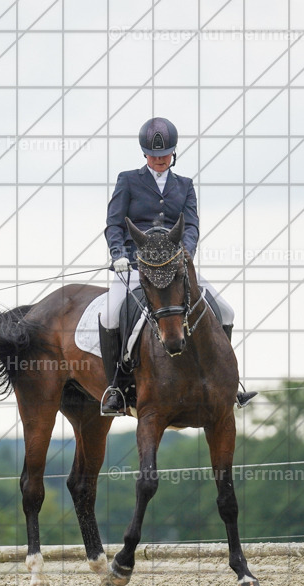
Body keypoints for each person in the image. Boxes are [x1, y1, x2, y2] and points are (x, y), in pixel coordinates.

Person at [98, 117, 256, 416]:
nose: (160, 160)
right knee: (110, 316)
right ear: (145, 154)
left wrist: (186, 252)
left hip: (176, 267)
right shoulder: (128, 180)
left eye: (165, 155)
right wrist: (118, 252)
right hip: (136, 265)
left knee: (226, 310)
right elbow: (114, 223)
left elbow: (192, 225)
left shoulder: (184, 186)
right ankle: (116, 388)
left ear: (173, 152)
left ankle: (226, 382)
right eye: (154, 155)